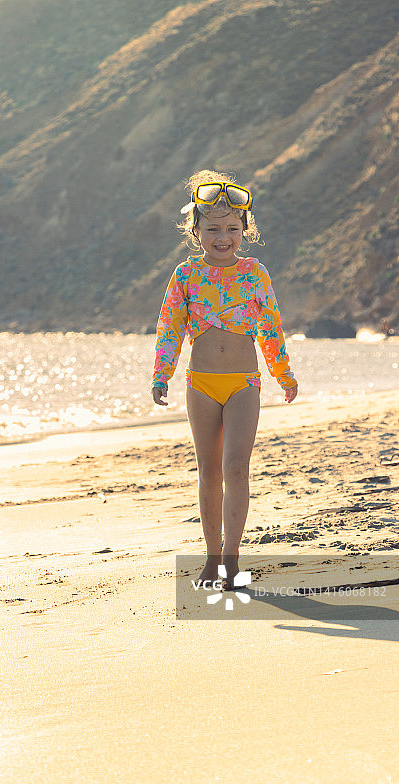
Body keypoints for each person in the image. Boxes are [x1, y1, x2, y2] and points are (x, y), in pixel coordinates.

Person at [151, 169, 298, 590]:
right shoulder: (185, 275)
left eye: (232, 228)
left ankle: (231, 560)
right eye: (213, 228)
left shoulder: (254, 273)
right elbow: (170, 328)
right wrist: (161, 375)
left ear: (245, 230)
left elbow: (270, 326)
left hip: (243, 384)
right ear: (195, 230)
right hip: (200, 384)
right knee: (209, 473)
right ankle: (211, 558)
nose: (223, 237)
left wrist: (283, 373)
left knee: (235, 467)